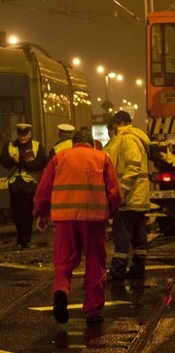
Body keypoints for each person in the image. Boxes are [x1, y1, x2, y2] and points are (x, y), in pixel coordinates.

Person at [33, 128, 121, 324]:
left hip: (64, 218)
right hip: (94, 219)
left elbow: (44, 188)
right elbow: (114, 191)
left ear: (73, 143)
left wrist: (41, 213)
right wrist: (112, 212)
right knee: (95, 262)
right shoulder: (102, 158)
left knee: (63, 261)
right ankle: (93, 311)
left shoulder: (60, 158)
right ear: (91, 142)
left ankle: (61, 290)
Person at [104, 110, 151, 281]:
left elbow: (133, 165)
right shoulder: (135, 137)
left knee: (122, 233)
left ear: (118, 124)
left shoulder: (127, 139)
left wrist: (121, 191)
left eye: (113, 126)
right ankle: (138, 268)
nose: (112, 130)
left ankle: (118, 270)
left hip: (129, 196)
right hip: (139, 196)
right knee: (139, 233)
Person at [0, 123, 48, 248]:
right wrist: (12, 161)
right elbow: (3, 161)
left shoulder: (36, 146)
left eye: (25, 135)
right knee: (16, 213)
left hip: (29, 184)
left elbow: (41, 162)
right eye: (21, 135)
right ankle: (20, 239)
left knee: (27, 213)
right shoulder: (10, 145)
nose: (23, 137)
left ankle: (26, 240)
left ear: (29, 134)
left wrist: (22, 163)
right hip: (15, 184)